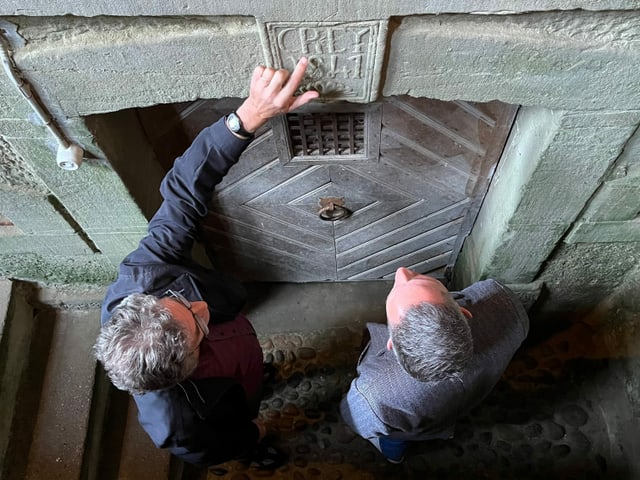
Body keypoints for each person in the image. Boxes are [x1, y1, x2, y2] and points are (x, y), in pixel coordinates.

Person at [94, 58, 319, 469]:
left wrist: (246, 117)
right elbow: (205, 449)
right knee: (244, 407)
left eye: (179, 302)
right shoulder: (174, 421)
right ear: (186, 369)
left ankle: (255, 379)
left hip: (237, 354)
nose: (202, 307)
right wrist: (252, 434)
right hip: (225, 391)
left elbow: (183, 195)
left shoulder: (145, 277)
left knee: (252, 368)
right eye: (198, 324)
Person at [340, 267, 530, 463]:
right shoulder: (504, 304)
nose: (401, 272)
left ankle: (394, 456)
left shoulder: (372, 395)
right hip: (468, 401)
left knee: (393, 442)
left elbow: (356, 418)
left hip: (415, 427)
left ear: (392, 344)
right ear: (463, 313)